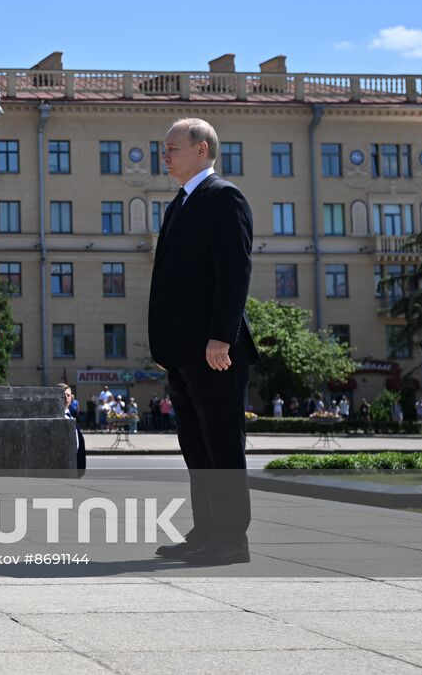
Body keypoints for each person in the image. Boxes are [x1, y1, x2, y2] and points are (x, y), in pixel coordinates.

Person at [147, 118, 258, 566]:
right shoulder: (181, 203)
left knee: (222, 444)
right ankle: (207, 531)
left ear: (203, 150)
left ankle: (232, 539)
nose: (165, 155)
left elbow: (235, 272)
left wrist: (220, 337)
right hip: (184, 352)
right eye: (164, 148)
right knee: (197, 444)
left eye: (173, 147)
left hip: (216, 352)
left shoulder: (222, 197)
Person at [61, 383, 85, 473]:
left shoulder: (70, 416)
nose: (66, 398)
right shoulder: (57, 418)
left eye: (68, 395)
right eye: (63, 395)